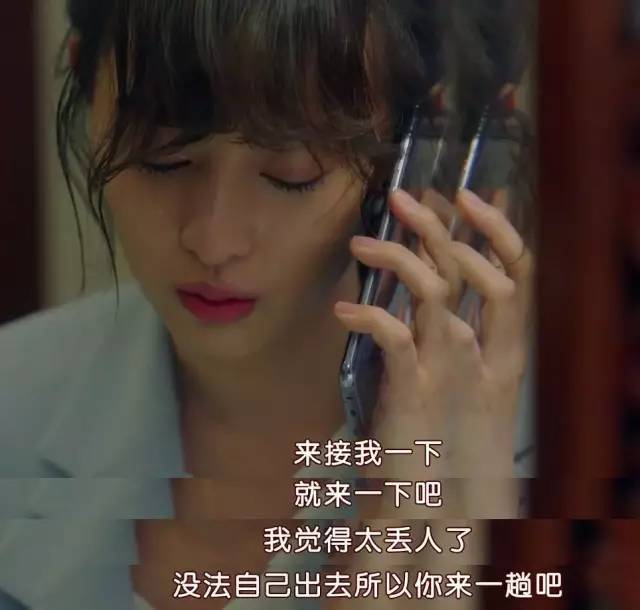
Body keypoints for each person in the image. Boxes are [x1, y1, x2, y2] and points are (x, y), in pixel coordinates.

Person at [0, 1, 535, 609]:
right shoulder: (14, 402)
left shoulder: (566, 451)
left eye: (291, 174)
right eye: (161, 158)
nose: (214, 240)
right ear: (83, 78)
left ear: (424, 149)